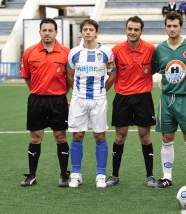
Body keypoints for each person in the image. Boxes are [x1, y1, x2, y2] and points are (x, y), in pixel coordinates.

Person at [106, 16, 157, 188]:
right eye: (130, 29)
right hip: (122, 98)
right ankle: (114, 175)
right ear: (126, 29)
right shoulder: (116, 50)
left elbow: (156, 68)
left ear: (141, 31)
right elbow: (111, 74)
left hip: (143, 98)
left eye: (136, 29)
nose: (132, 32)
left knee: (145, 136)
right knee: (119, 137)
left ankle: (150, 176)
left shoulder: (150, 49)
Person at [152, 11, 186, 189]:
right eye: (169, 26)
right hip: (166, 99)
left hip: (185, 98)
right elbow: (156, 69)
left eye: (175, 26)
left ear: (181, 27)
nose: (172, 29)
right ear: (165, 27)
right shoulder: (160, 49)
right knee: (166, 137)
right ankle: (167, 177)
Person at [20, 18, 70, 187]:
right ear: (40, 31)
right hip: (36, 100)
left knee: (60, 137)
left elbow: (69, 79)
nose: (47, 33)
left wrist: (60, 93)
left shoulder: (65, 52)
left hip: (58, 100)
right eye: (44, 30)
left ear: (56, 32)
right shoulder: (29, 52)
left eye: (50, 30)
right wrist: (37, 90)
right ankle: (32, 175)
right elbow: (27, 77)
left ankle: (64, 175)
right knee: (35, 138)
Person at [67, 19, 116, 188]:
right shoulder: (74, 52)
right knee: (77, 135)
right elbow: (69, 75)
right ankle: (76, 174)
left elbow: (113, 75)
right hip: (79, 100)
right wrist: (78, 92)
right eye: (85, 29)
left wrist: (102, 90)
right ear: (81, 33)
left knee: (99, 136)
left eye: (91, 29)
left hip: (98, 100)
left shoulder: (106, 52)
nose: (88, 32)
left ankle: (100, 174)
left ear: (96, 32)